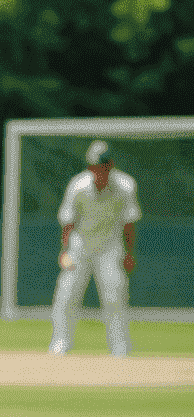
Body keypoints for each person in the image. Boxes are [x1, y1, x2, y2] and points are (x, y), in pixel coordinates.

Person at [49, 140, 140, 359]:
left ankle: (120, 348)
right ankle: (60, 343)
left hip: (110, 246)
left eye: (104, 166)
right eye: (95, 166)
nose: (100, 171)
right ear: (90, 168)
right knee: (67, 293)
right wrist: (65, 251)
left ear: (111, 165)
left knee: (115, 294)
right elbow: (69, 222)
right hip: (81, 246)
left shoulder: (125, 186)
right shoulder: (78, 186)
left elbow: (128, 223)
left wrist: (129, 253)